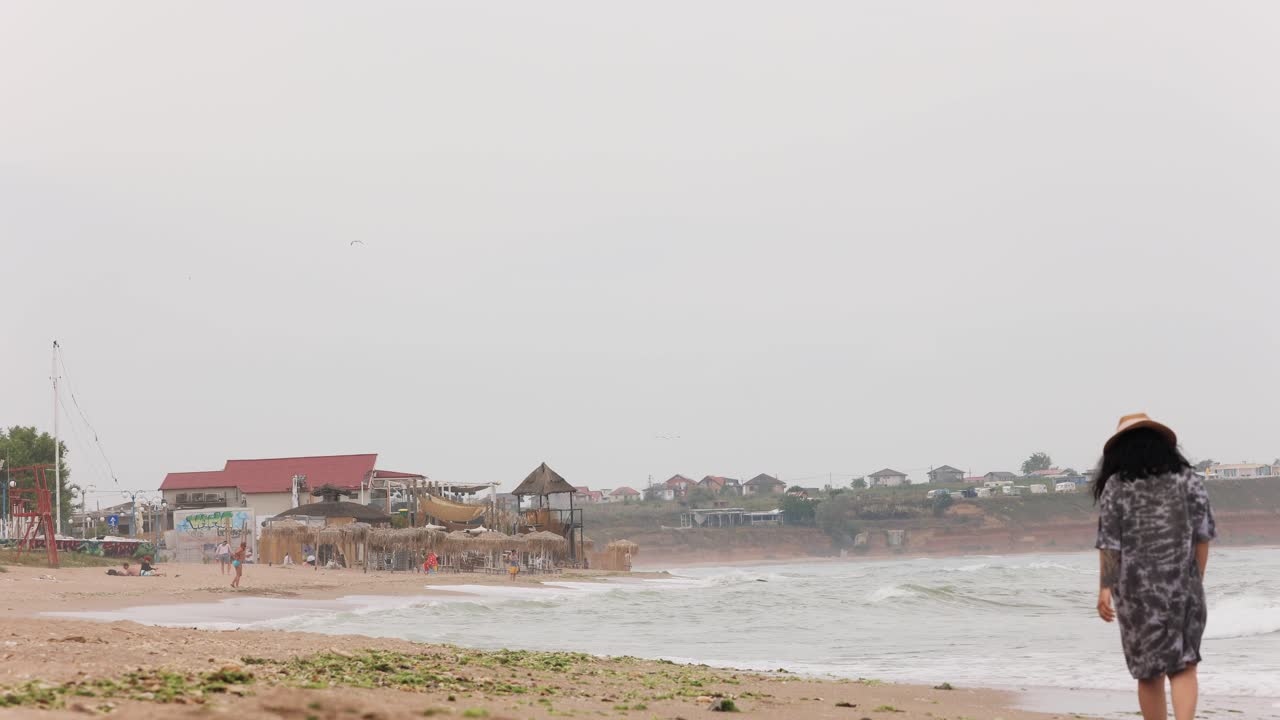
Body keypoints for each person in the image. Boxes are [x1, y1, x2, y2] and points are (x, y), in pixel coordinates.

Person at [1094, 413, 1216, 720]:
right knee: (1184, 665)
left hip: (1135, 595)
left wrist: (1105, 589)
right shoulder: (1189, 479)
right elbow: (1203, 537)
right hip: (1183, 590)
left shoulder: (1116, 486)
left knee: (1148, 674)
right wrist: (1194, 580)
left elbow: (1110, 543)